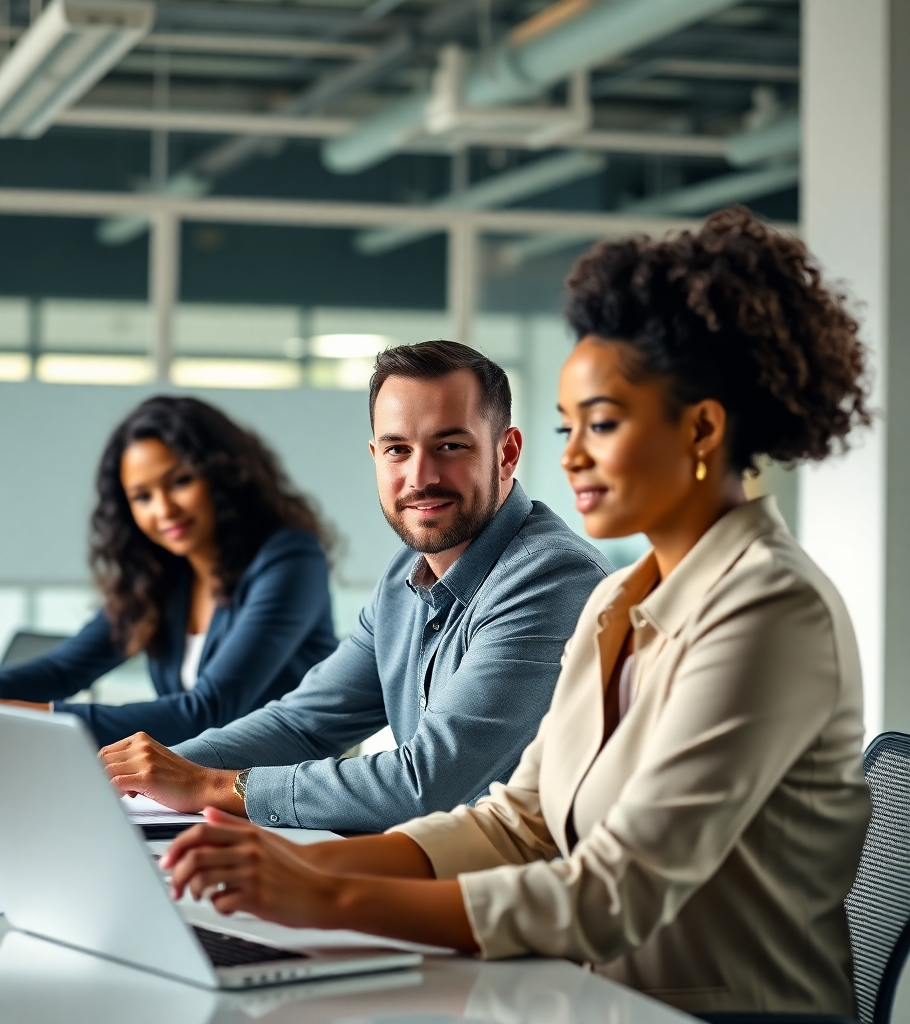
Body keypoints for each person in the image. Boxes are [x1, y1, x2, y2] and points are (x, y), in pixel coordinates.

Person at [155, 208, 873, 1018]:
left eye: (603, 424)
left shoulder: (771, 610)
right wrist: (298, 869)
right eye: (570, 427)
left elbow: (613, 894)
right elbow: (520, 822)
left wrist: (327, 899)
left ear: (702, 429)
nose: (571, 456)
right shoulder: (620, 599)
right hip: (586, 997)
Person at [100, 341, 612, 833]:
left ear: (506, 452)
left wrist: (210, 785)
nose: (420, 476)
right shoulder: (404, 576)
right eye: (397, 449)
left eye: (450, 446)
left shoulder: (551, 580)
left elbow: (427, 785)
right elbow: (302, 725)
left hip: (528, 888)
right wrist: (137, 779)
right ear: (376, 456)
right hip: (433, 870)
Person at [0, 396, 338, 748]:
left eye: (180, 482)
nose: (163, 509)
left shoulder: (290, 558)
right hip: (191, 785)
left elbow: (209, 709)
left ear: (223, 476)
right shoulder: (163, 574)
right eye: (142, 496)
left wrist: (14, 717)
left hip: (275, 792)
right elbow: (66, 669)